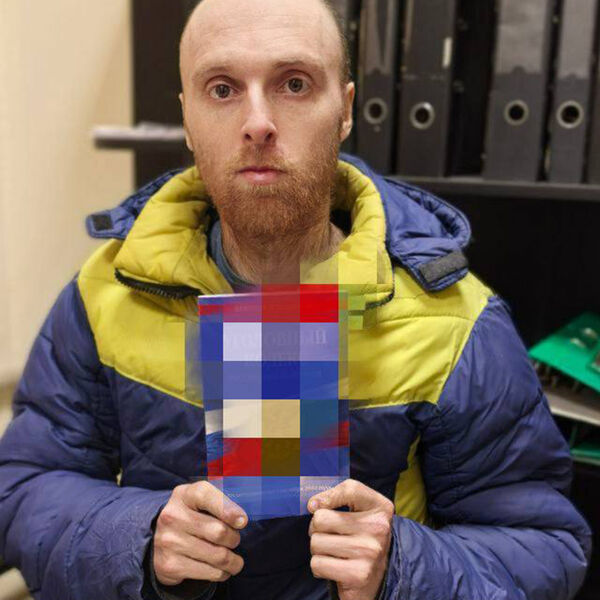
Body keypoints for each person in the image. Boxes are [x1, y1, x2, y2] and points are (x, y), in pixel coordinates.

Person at [0, 0, 592, 598]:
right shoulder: (104, 292)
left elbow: (543, 546)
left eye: (294, 84)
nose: (258, 122)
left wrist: (402, 566)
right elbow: (23, 488)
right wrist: (141, 537)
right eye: (223, 88)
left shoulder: (456, 320)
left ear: (346, 110)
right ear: (187, 119)